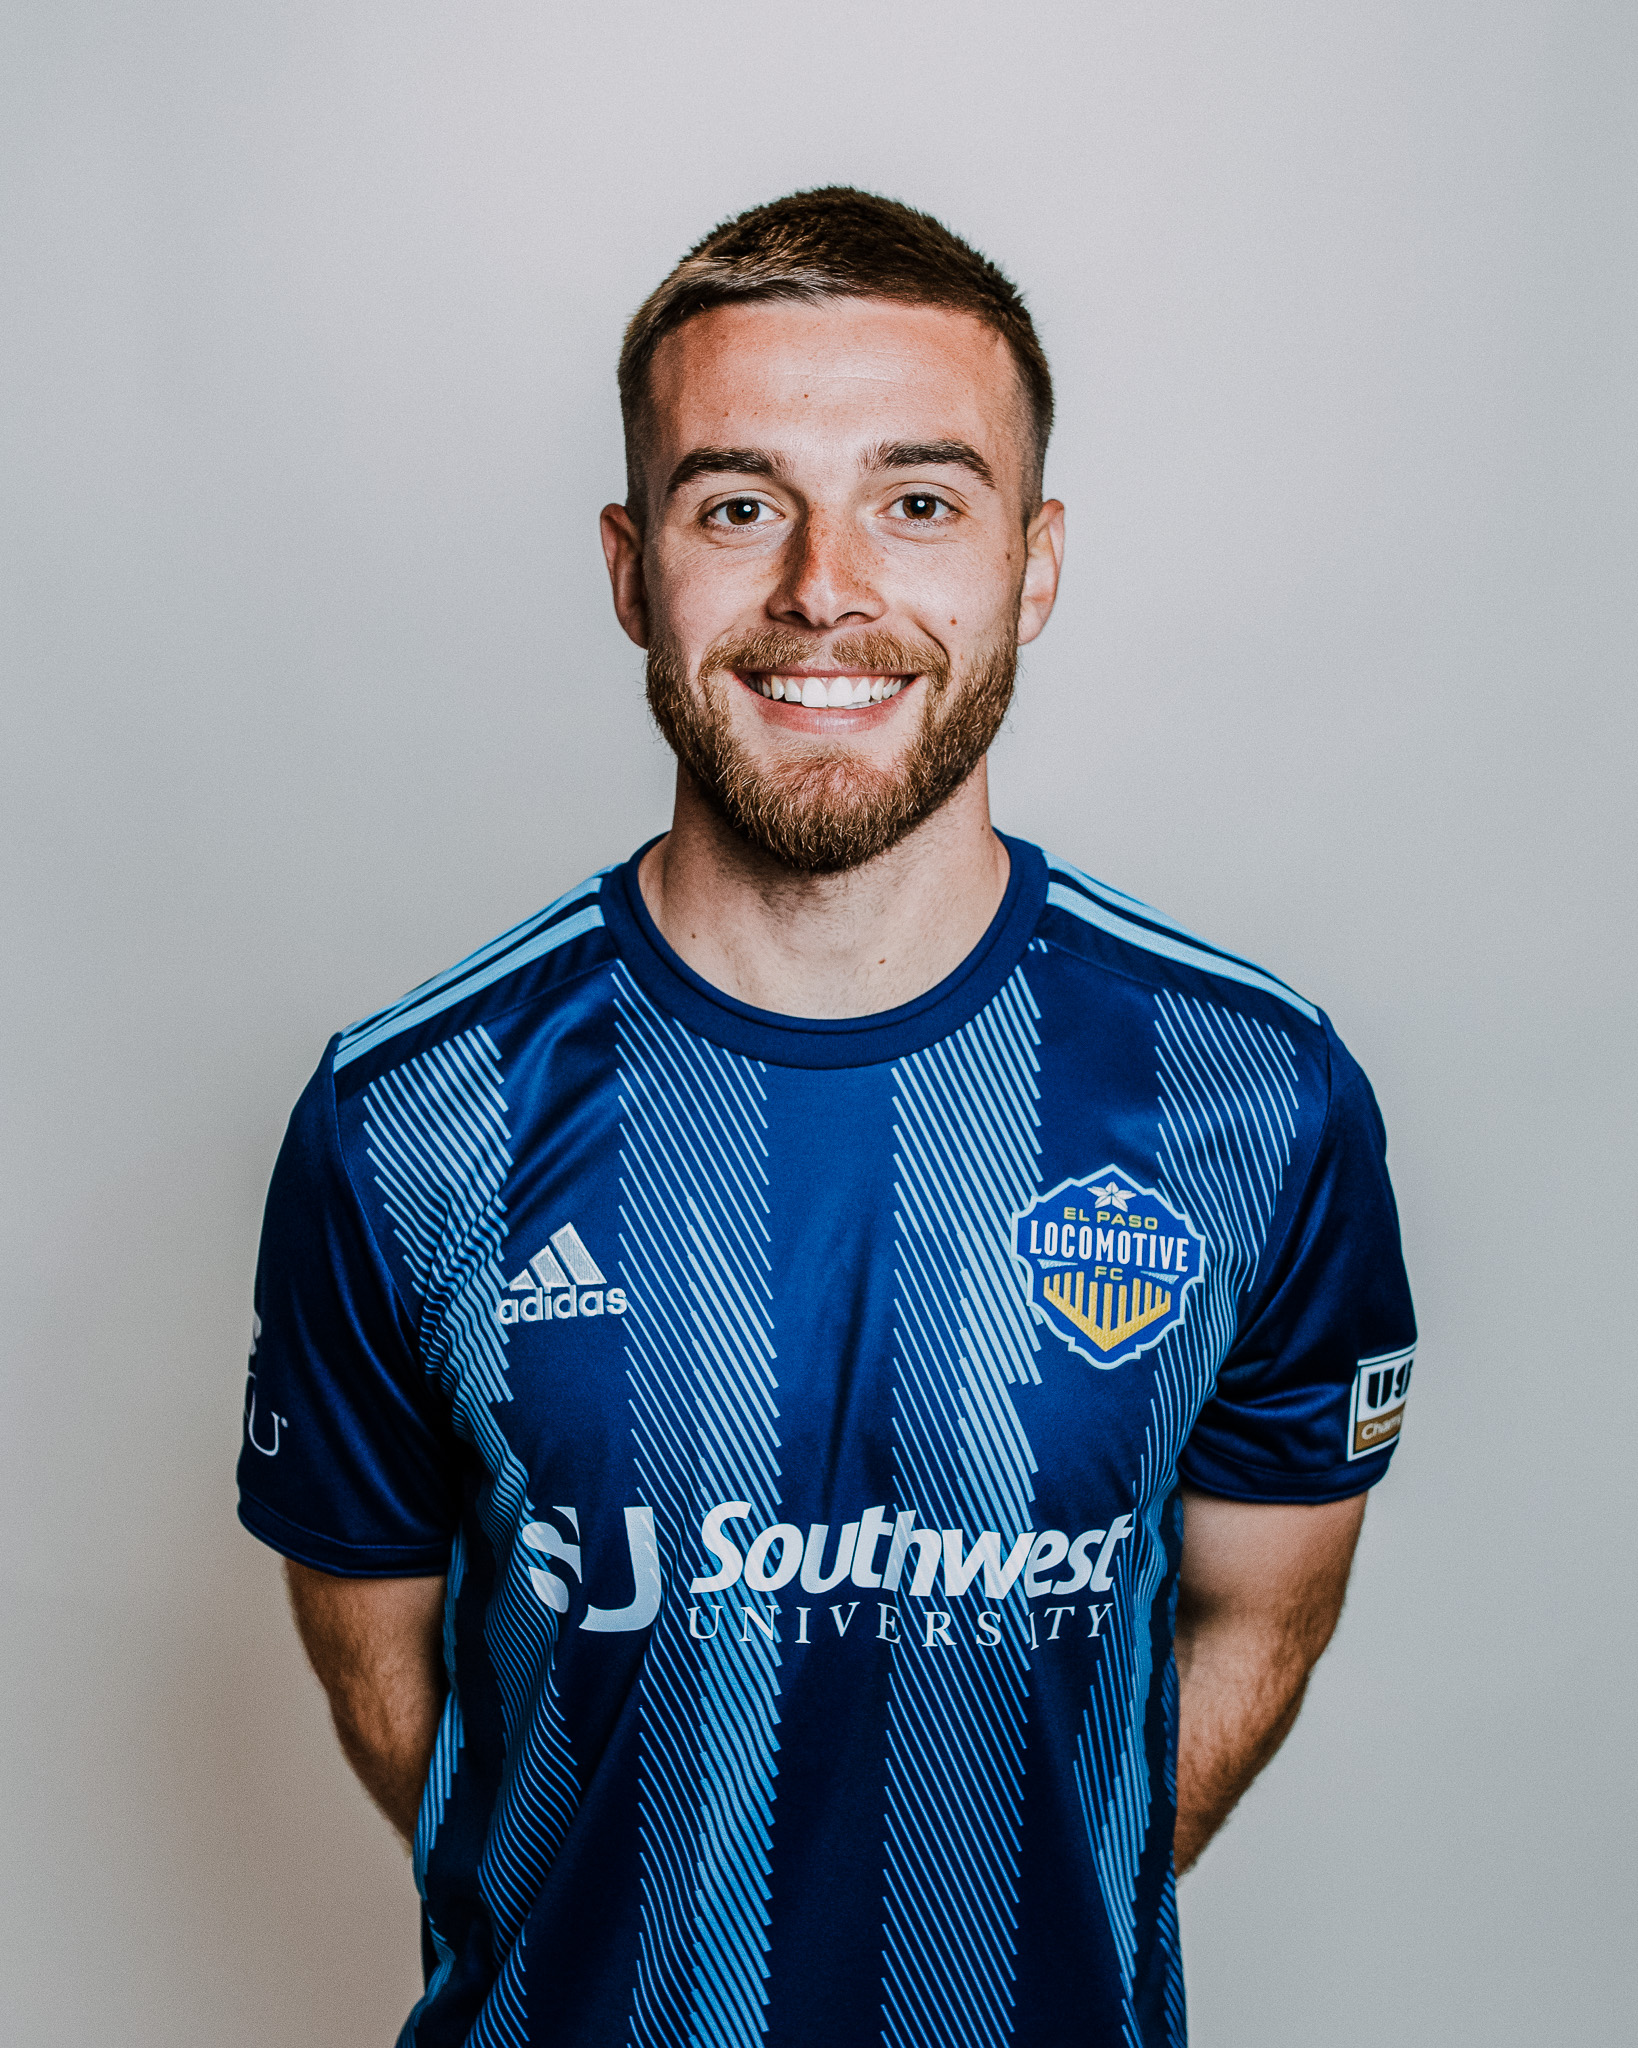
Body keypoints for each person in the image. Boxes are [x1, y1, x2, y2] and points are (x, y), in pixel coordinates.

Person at [237, 187, 1416, 2048]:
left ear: (1032, 564)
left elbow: (1256, 1612)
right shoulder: (409, 1119)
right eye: (737, 506)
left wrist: (1027, 1913)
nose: (822, 589)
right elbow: (390, 1673)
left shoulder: (1252, 1098)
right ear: (631, 569)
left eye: (917, 502)